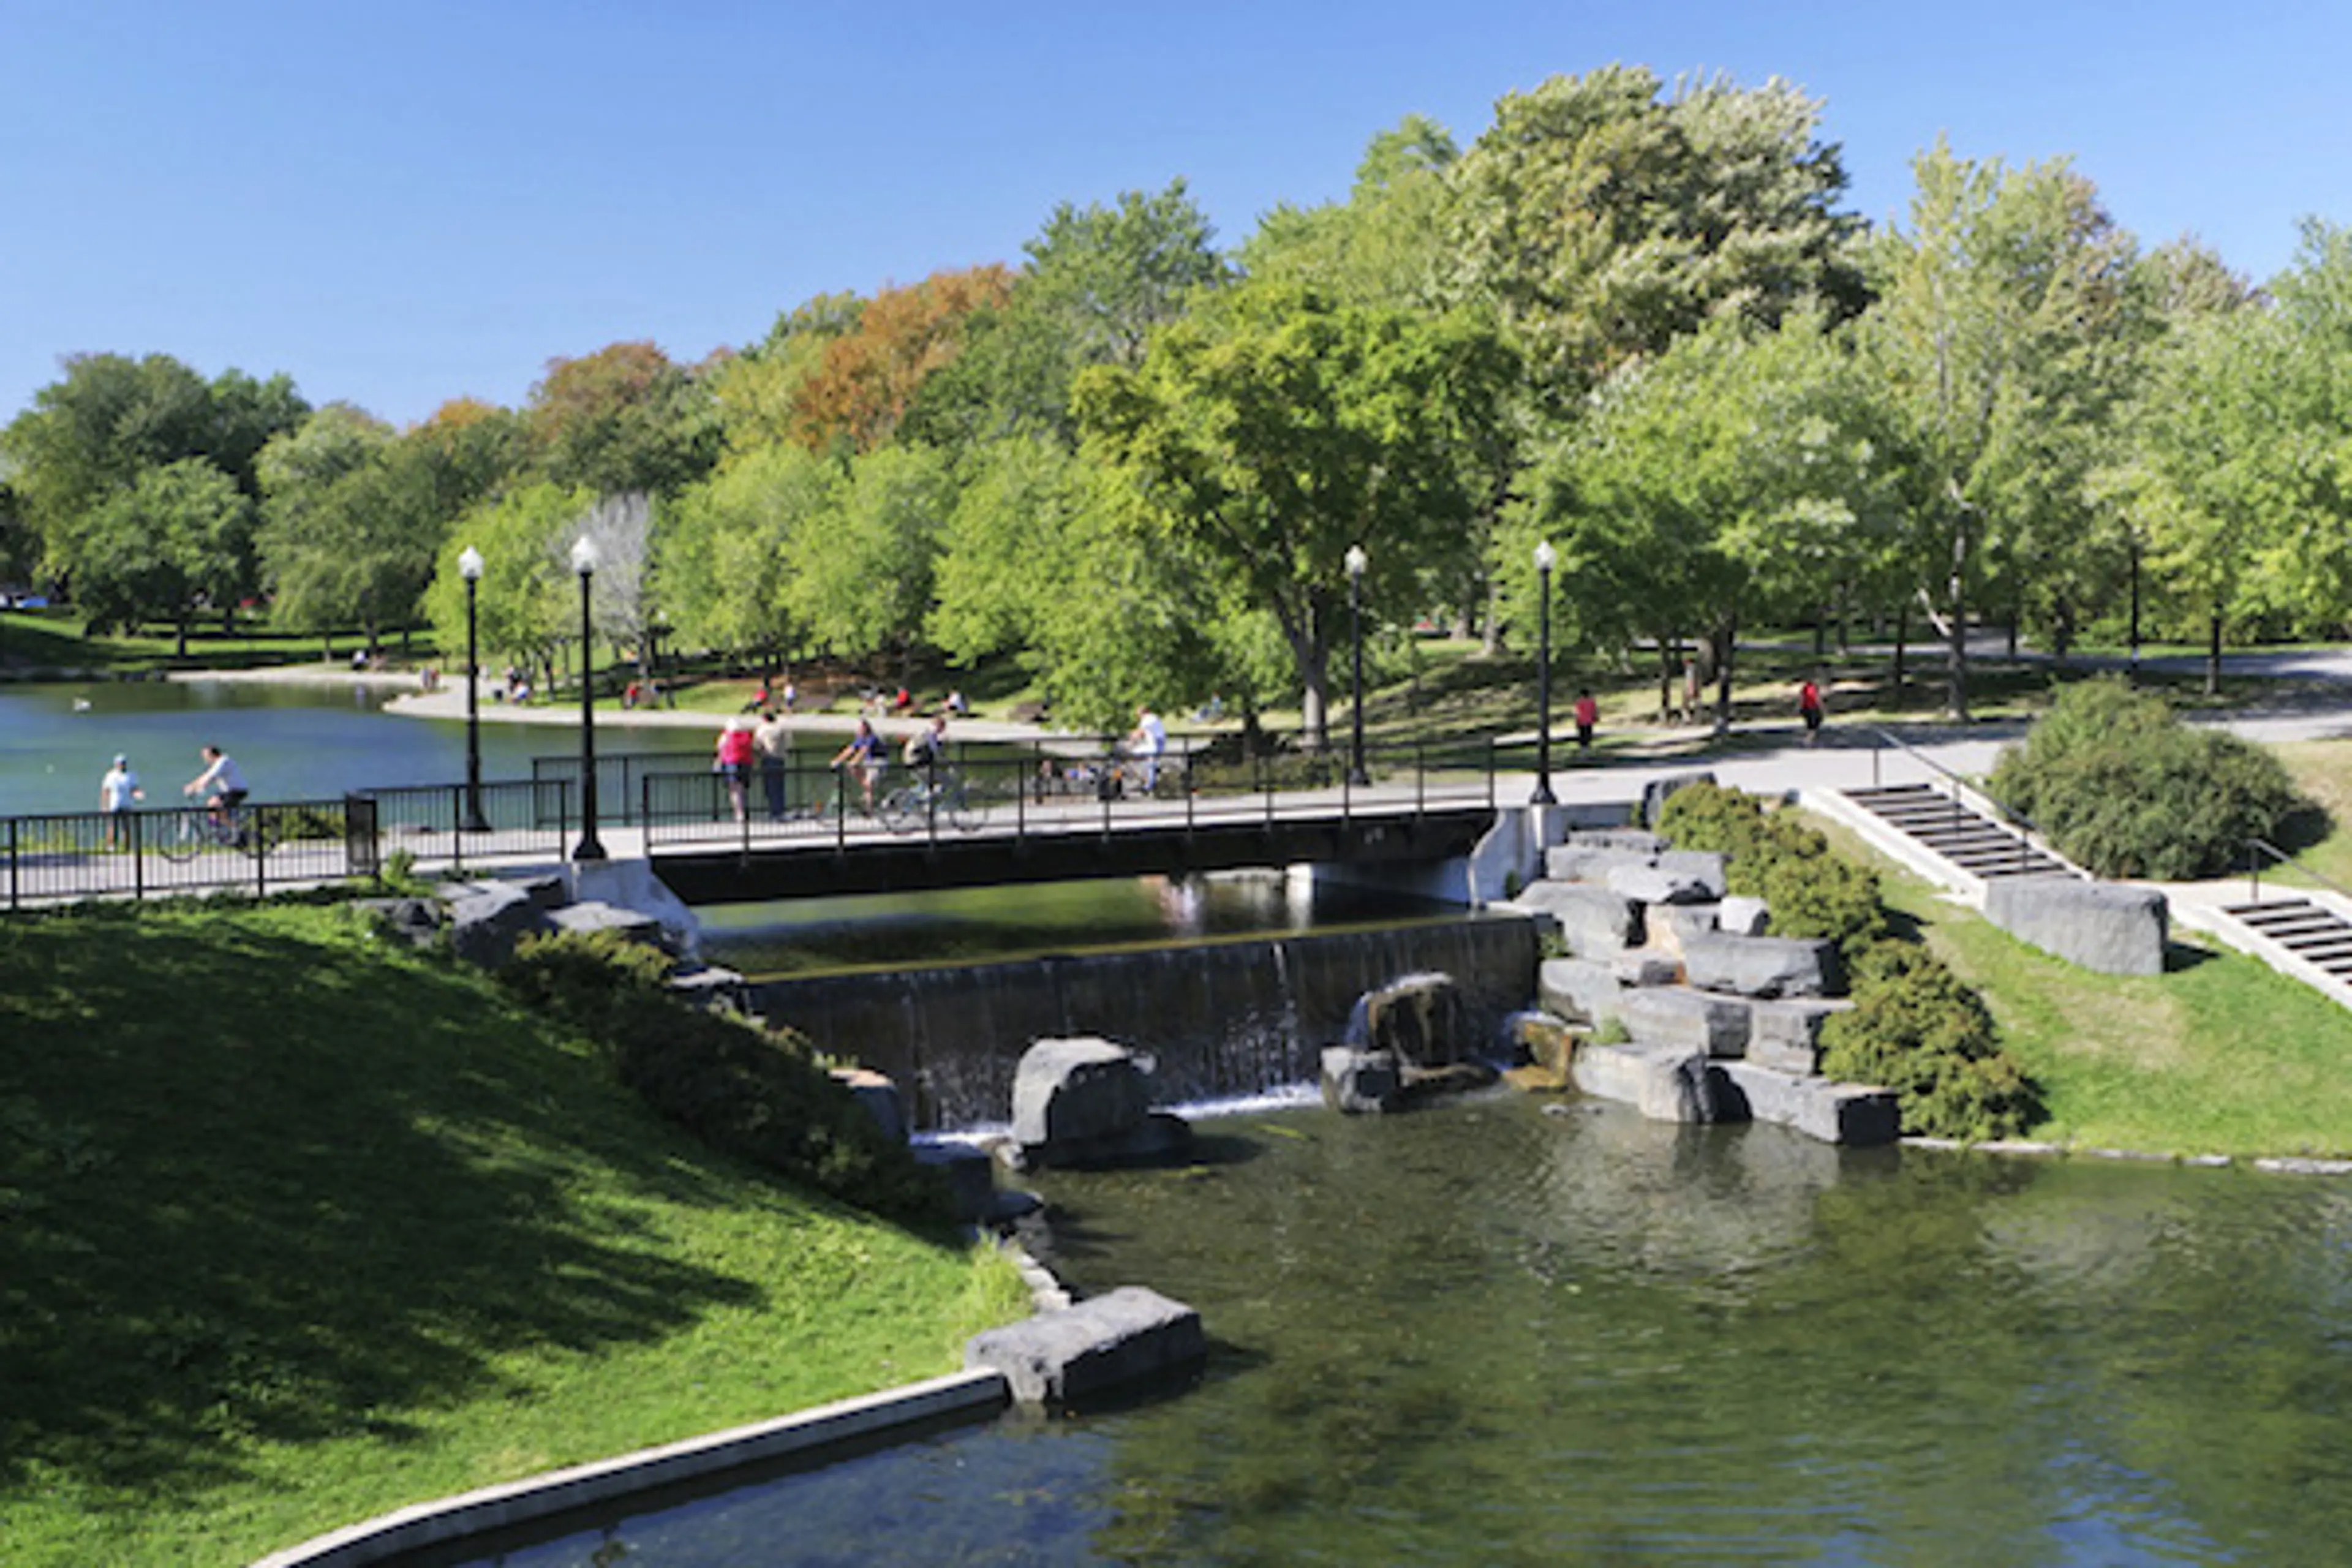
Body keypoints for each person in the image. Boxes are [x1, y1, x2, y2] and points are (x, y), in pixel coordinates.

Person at [184, 745, 250, 834]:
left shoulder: (223, 761)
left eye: (206, 756)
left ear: (212, 755)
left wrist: (194, 787)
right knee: (211, 802)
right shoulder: (217, 764)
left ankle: (238, 830)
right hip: (227, 792)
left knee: (219, 808)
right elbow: (206, 776)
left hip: (237, 791)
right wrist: (193, 785)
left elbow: (210, 777)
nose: (205, 759)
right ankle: (216, 827)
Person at [830, 718, 885, 812]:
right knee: (855, 770)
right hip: (868, 762)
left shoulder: (872, 738)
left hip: (878, 762)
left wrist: (854, 761)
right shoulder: (860, 739)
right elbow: (850, 750)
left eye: (859, 728)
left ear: (865, 728)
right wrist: (836, 760)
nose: (857, 731)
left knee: (868, 782)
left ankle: (869, 809)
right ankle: (867, 790)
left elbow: (864, 751)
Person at [753, 707, 793, 821]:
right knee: (779, 786)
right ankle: (780, 810)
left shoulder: (761, 729)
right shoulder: (782, 729)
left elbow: (757, 745)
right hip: (780, 759)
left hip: (767, 759)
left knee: (769, 787)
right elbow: (788, 745)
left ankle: (773, 811)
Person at [714, 717, 756, 823]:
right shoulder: (746, 736)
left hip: (732, 763)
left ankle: (739, 813)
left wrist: (717, 763)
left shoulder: (726, 736)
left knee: (734, 790)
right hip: (746, 763)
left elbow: (720, 748)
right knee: (742, 788)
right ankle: (745, 812)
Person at [99, 754, 143, 847]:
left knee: (126, 827)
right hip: (114, 805)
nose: (121, 765)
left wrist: (138, 794)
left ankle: (127, 847)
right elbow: (105, 791)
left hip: (126, 804)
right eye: (119, 763)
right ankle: (111, 847)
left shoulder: (131, 775)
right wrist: (104, 806)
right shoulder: (111, 776)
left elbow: (134, 788)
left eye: (123, 763)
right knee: (112, 826)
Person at [1128, 704, 1167, 794]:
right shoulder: (1154, 718)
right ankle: (1148, 783)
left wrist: (1129, 743)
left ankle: (1147, 783)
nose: (1138, 717)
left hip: (1155, 746)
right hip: (1157, 745)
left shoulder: (1147, 719)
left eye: (1138, 715)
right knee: (1149, 764)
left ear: (1142, 713)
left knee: (1133, 754)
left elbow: (1139, 733)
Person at [1798, 675, 1825, 746]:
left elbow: (1801, 697)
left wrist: (1800, 707)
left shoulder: (1805, 687)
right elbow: (1817, 698)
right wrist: (1821, 707)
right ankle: (1809, 740)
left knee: (1811, 724)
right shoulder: (1813, 688)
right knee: (1814, 724)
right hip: (1813, 708)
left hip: (1806, 708)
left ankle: (1811, 738)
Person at [1573, 688, 1599, 753]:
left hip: (1581, 720)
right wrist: (1595, 717)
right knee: (1588, 733)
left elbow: (1577, 712)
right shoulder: (1591, 701)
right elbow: (1594, 710)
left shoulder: (1579, 702)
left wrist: (1576, 720)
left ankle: (1583, 746)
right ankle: (1587, 745)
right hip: (1589, 720)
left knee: (1582, 733)